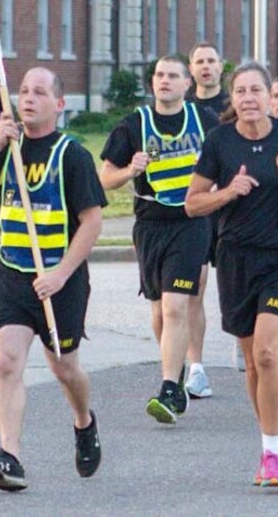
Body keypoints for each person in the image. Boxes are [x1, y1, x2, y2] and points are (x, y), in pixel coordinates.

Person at [0, 67, 106, 492]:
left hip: (61, 279)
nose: (29, 98)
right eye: (23, 91)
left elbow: (92, 222)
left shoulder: (71, 155)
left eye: (40, 92)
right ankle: (10, 456)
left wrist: (60, 274)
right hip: (15, 277)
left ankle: (84, 422)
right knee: (7, 361)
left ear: (59, 104)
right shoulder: (7, 151)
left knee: (64, 368)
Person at [185, 62, 278, 487]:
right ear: (232, 100)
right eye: (241, 92)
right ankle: (272, 445)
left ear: (271, 96)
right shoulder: (219, 142)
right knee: (253, 361)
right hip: (236, 258)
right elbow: (192, 204)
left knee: (269, 353)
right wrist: (227, 192)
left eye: (256, 90)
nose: (249, 98)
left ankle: (271, 452)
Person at [99, 56, 218, 424]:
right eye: (159, 76)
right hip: (150, 224)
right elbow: (104, 178)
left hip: (191, 222)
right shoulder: (133, 125)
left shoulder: (204, 121)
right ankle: (176, 367)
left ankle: (168, 388)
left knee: (176, 306)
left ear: (187, 84)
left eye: (172, 76)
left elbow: (228, 160)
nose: (164, 81)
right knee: (158, 311)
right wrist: (128, 171)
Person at [183, 42, 230, 398]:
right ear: (191, 68)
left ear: (221, 66)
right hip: (196, 209)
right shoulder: (181, 109)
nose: (205, 67)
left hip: (229, 207)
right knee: (193, 288)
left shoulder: (232, 106)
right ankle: (195, 367)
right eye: (199, 61)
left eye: (211, 61)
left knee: (239, 283)